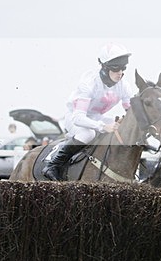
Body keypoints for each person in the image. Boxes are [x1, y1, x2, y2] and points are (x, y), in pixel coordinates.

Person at [42, 43, 134, 181]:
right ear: (104, 67)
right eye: (116, 68)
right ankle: (53, 165)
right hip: (75, 117)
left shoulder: (124, 86)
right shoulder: (89, 83)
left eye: (123, 68)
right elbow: (78, 118)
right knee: (87, 133)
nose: (120, 73)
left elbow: (130, 112)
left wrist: (124, 121)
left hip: (97, 118)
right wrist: (103, 127)